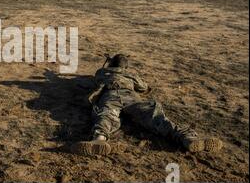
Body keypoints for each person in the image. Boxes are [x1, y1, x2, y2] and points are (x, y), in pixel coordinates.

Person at [71, 54, 223, 156]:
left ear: (110, 63)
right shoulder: (130, 74)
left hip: (110, 95)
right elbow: (143, 87)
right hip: (131, 96)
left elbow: (95, 80)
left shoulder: (102, 72)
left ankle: (99, 138)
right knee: (154, 116)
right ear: (125, 67)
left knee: (105, 115)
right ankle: (187, 137)